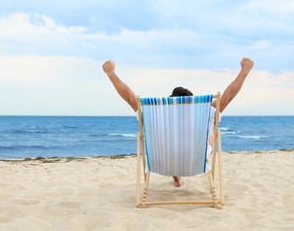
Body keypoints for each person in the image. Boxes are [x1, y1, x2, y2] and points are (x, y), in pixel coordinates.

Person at [102, 57, 254, 187]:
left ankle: (177, 179)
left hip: (162, 163)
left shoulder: (153, 113)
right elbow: (228, 96)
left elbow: (130, 98)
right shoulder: (206, 111)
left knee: (168, 144)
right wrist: (245, 70)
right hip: (195, 163)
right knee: (213, 136)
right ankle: (181, 176)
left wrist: (111, 73)